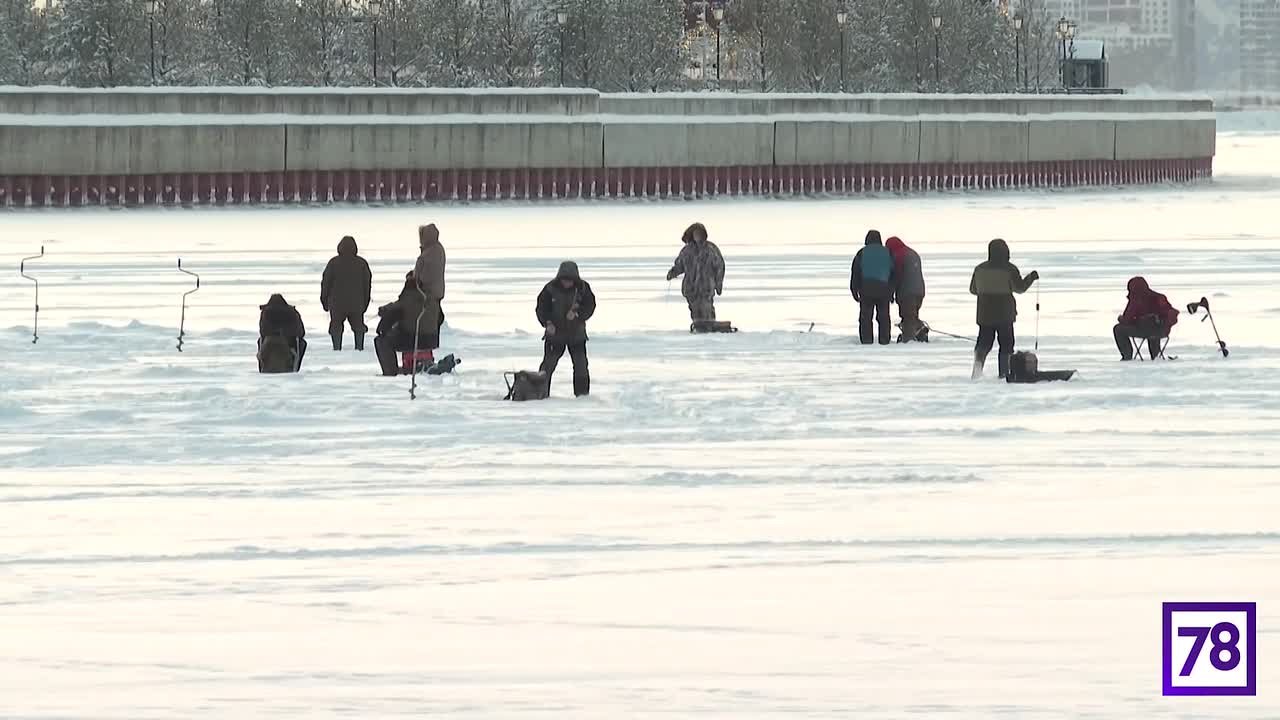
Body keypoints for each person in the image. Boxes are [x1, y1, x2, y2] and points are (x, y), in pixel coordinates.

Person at [969, 238, 1039, 379]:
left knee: (983, 343)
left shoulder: (979, 269)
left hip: (984, 314)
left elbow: (973, 289)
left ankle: (977, 369)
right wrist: (1031, 277)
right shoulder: (1010, 268)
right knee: (1006, 345)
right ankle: (1004, 373)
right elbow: (1019, 288)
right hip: (1004, 315)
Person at [537, 261, 597, 397]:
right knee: (547, 366)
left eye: (570, 281)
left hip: (576, 335)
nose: (567, 283)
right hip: (555, 336)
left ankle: (582, 396)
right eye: (564, 280)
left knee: (581, 366)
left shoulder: (583, 288)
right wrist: (547, 323)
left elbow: (590, 306)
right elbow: (541, 308)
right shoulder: (550, 289)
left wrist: (578, 314)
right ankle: (541, 394)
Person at [373, 272, 436, 376]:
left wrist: (382, 325)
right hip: (431, 340)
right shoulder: (433, 298)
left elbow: (390, 314)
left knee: (382, 341)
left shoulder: (407, 297)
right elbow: (440, 319)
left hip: (411, 340)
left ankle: (390, 371)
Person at [320, 235, 372, 351]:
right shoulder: (362, 263)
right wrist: (365, 304)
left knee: (336, 327)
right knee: (358, 327)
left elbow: (325, 283)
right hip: (357, 304)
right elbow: (367, 286)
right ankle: (359, 348)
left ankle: (336, 348)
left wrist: (324, 301)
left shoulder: (333, 263)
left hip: (337, 304)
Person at [666, 222, 725, 322]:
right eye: (695, 234)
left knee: (707, 310)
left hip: (706, 287)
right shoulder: (687, 251)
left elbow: (720, 266)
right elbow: (680, 265)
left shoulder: (711, 249)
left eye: (700, 234)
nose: (698, 236)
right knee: (695, 312)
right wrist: (673, 273)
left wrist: (718, 284)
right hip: (691, 288)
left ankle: (709, 328)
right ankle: (698, 329)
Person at [1114, 276, 1179, 360]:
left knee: (1118, 329)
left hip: (1144, 331)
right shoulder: (1160, 297)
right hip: (1161, 331)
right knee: (1153, 326)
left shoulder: (1136, 299)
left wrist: (1120, 319)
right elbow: (1170, 313)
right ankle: (1156, 356)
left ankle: (1127, 356)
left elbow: (1127, 319)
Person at [850, 230, 896, 345]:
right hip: (884, 289)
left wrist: (854, 291)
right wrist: (891, 292)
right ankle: (884, 340)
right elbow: (893, 273)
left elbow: (856, 273)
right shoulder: (888, 253)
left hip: (866, 289)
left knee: (866, 317)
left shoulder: (861, 253)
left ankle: (866, 341)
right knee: (884, 317)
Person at [885, 236, 926, 342]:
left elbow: (897, 275)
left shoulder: (899, 255)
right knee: (912, 314)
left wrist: (891, 291)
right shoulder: (912, 253)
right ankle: (919, 331)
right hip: (919, 290)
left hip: (907, 292)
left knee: (907, 316)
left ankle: (908, 340)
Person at [257, 293, 307, 373]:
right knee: (302, 343)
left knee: (260, 340)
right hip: (289, 346)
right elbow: (301, 332)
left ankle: (263, 367)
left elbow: (262, 331)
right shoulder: (293, 312)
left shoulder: (265, 312)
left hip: (268, 345)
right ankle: (295, 367)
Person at [413, 223, 446, 340]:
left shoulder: (430, 253)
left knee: (430, 319)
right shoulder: (436, 249)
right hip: (436, 290)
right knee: (435, 316)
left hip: (428, 293)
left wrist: (414, 279)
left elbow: (425, 275)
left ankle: (428, 342)